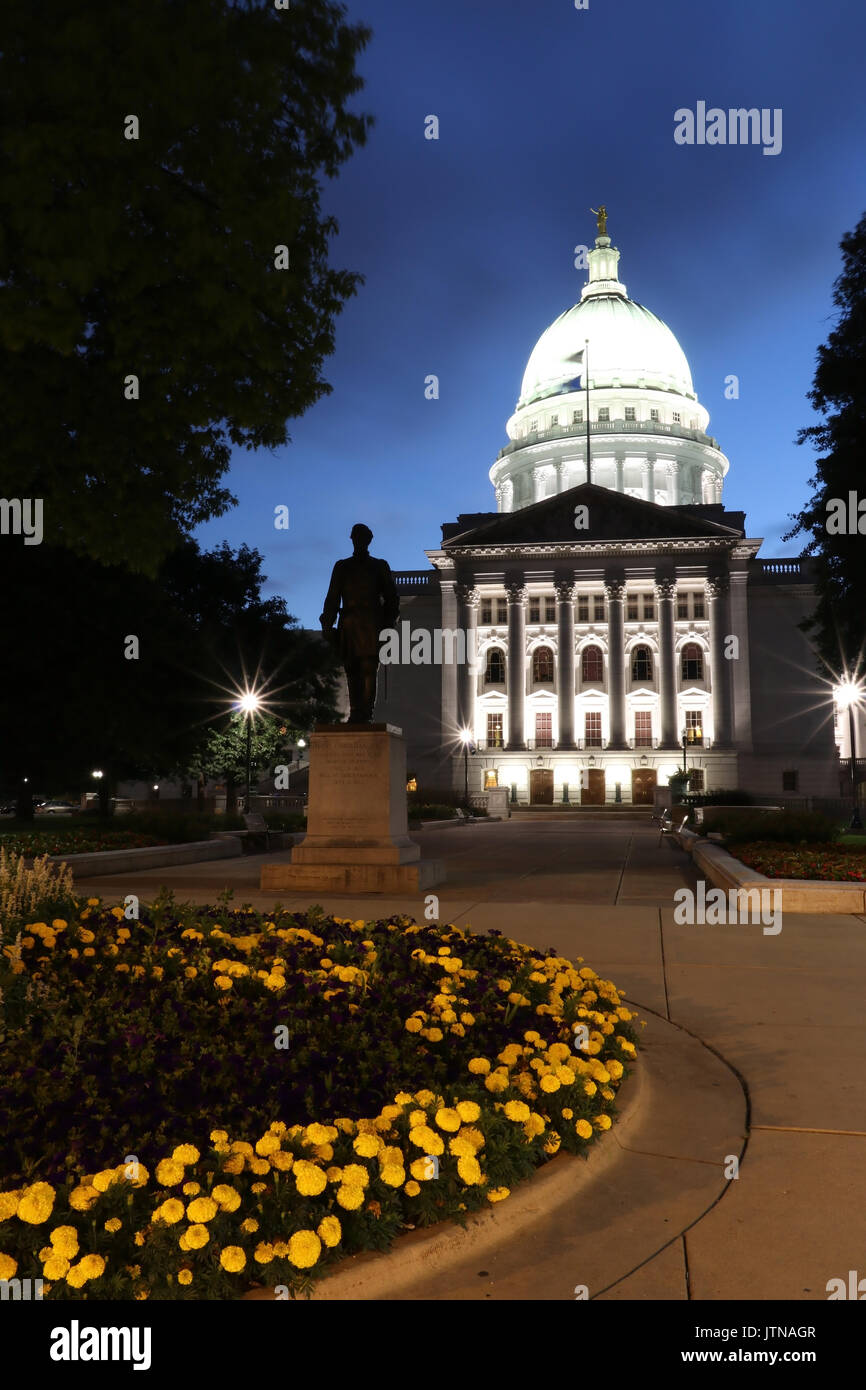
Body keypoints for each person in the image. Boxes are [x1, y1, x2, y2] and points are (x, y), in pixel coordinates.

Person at [320, 523, 400, 723]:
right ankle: (356, 711)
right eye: (356, 537)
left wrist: (389, 623)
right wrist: (328, 624)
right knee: (352, 668)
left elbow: (391, 597)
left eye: (362, 537)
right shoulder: (342, 566)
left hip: (371, 622)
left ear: (368, 540)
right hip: (350, 622)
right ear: (352, 539)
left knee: (368, 667)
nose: (358, 541)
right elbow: (332, 597)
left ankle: (366, 713)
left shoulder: (379, 566)